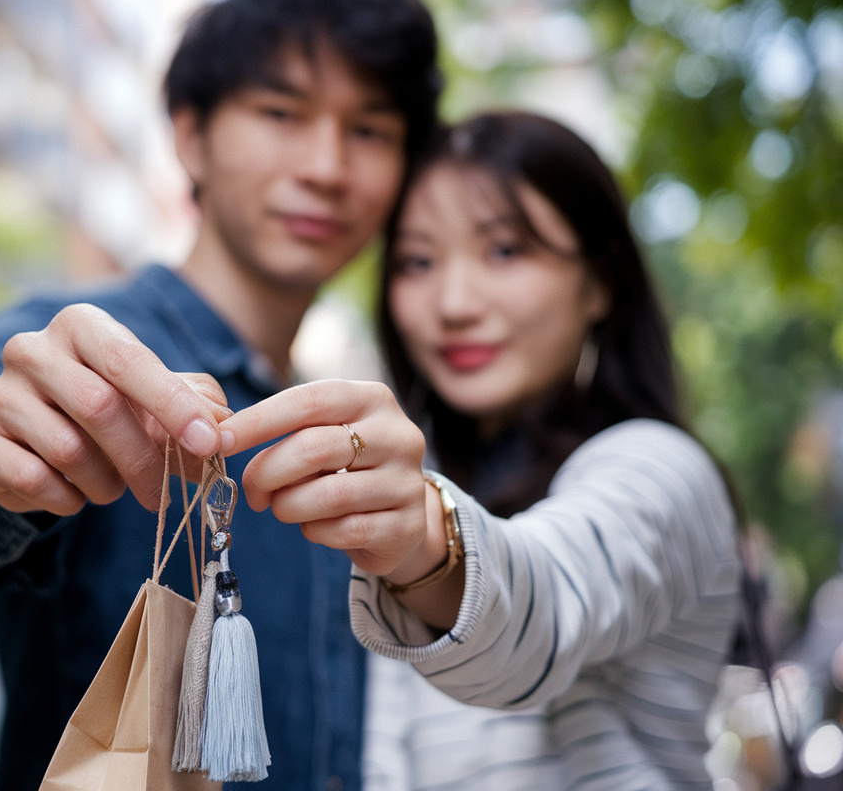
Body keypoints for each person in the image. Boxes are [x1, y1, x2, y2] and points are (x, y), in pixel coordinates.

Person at [0, 0, 442, 788]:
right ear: (190, 136)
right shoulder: (76, 347)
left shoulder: (349, 431)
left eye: (370, 130)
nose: (326, 167)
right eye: (281, 113)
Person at [218, 111, 743, 789]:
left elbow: (547, 602)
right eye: (418, 261)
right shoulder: (415, 474)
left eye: (504, 251)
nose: (454, 303)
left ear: (601, 281)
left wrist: (423, 540)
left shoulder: (660, 469)